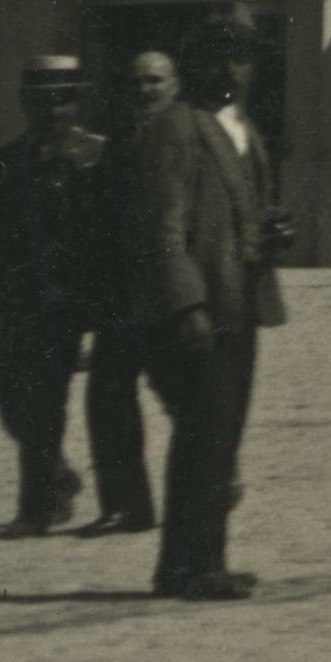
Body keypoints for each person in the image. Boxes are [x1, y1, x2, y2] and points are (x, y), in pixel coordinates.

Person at [114, 35, 273, 601]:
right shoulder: (177, 126)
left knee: (222, 435)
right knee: (202, 435)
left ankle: (207, 558)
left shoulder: (242, 129)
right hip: (203, 306)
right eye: (218, 59)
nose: (231, 70)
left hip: (242, 300)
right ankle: (188, 566)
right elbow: (166, 222)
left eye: (241, 59)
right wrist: (187, 303)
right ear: (195, 69)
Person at [0, 49, 116, 535]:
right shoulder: (6, 160)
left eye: (62, 100)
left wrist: (99, 308)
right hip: (8, 302)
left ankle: (36, 509)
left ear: (78, 103)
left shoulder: (96, 158)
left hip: (63, 302)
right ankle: (58, 477)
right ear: (26, 104)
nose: (52, 111)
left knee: (45, 404)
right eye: (42, 101)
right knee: (11, 406)